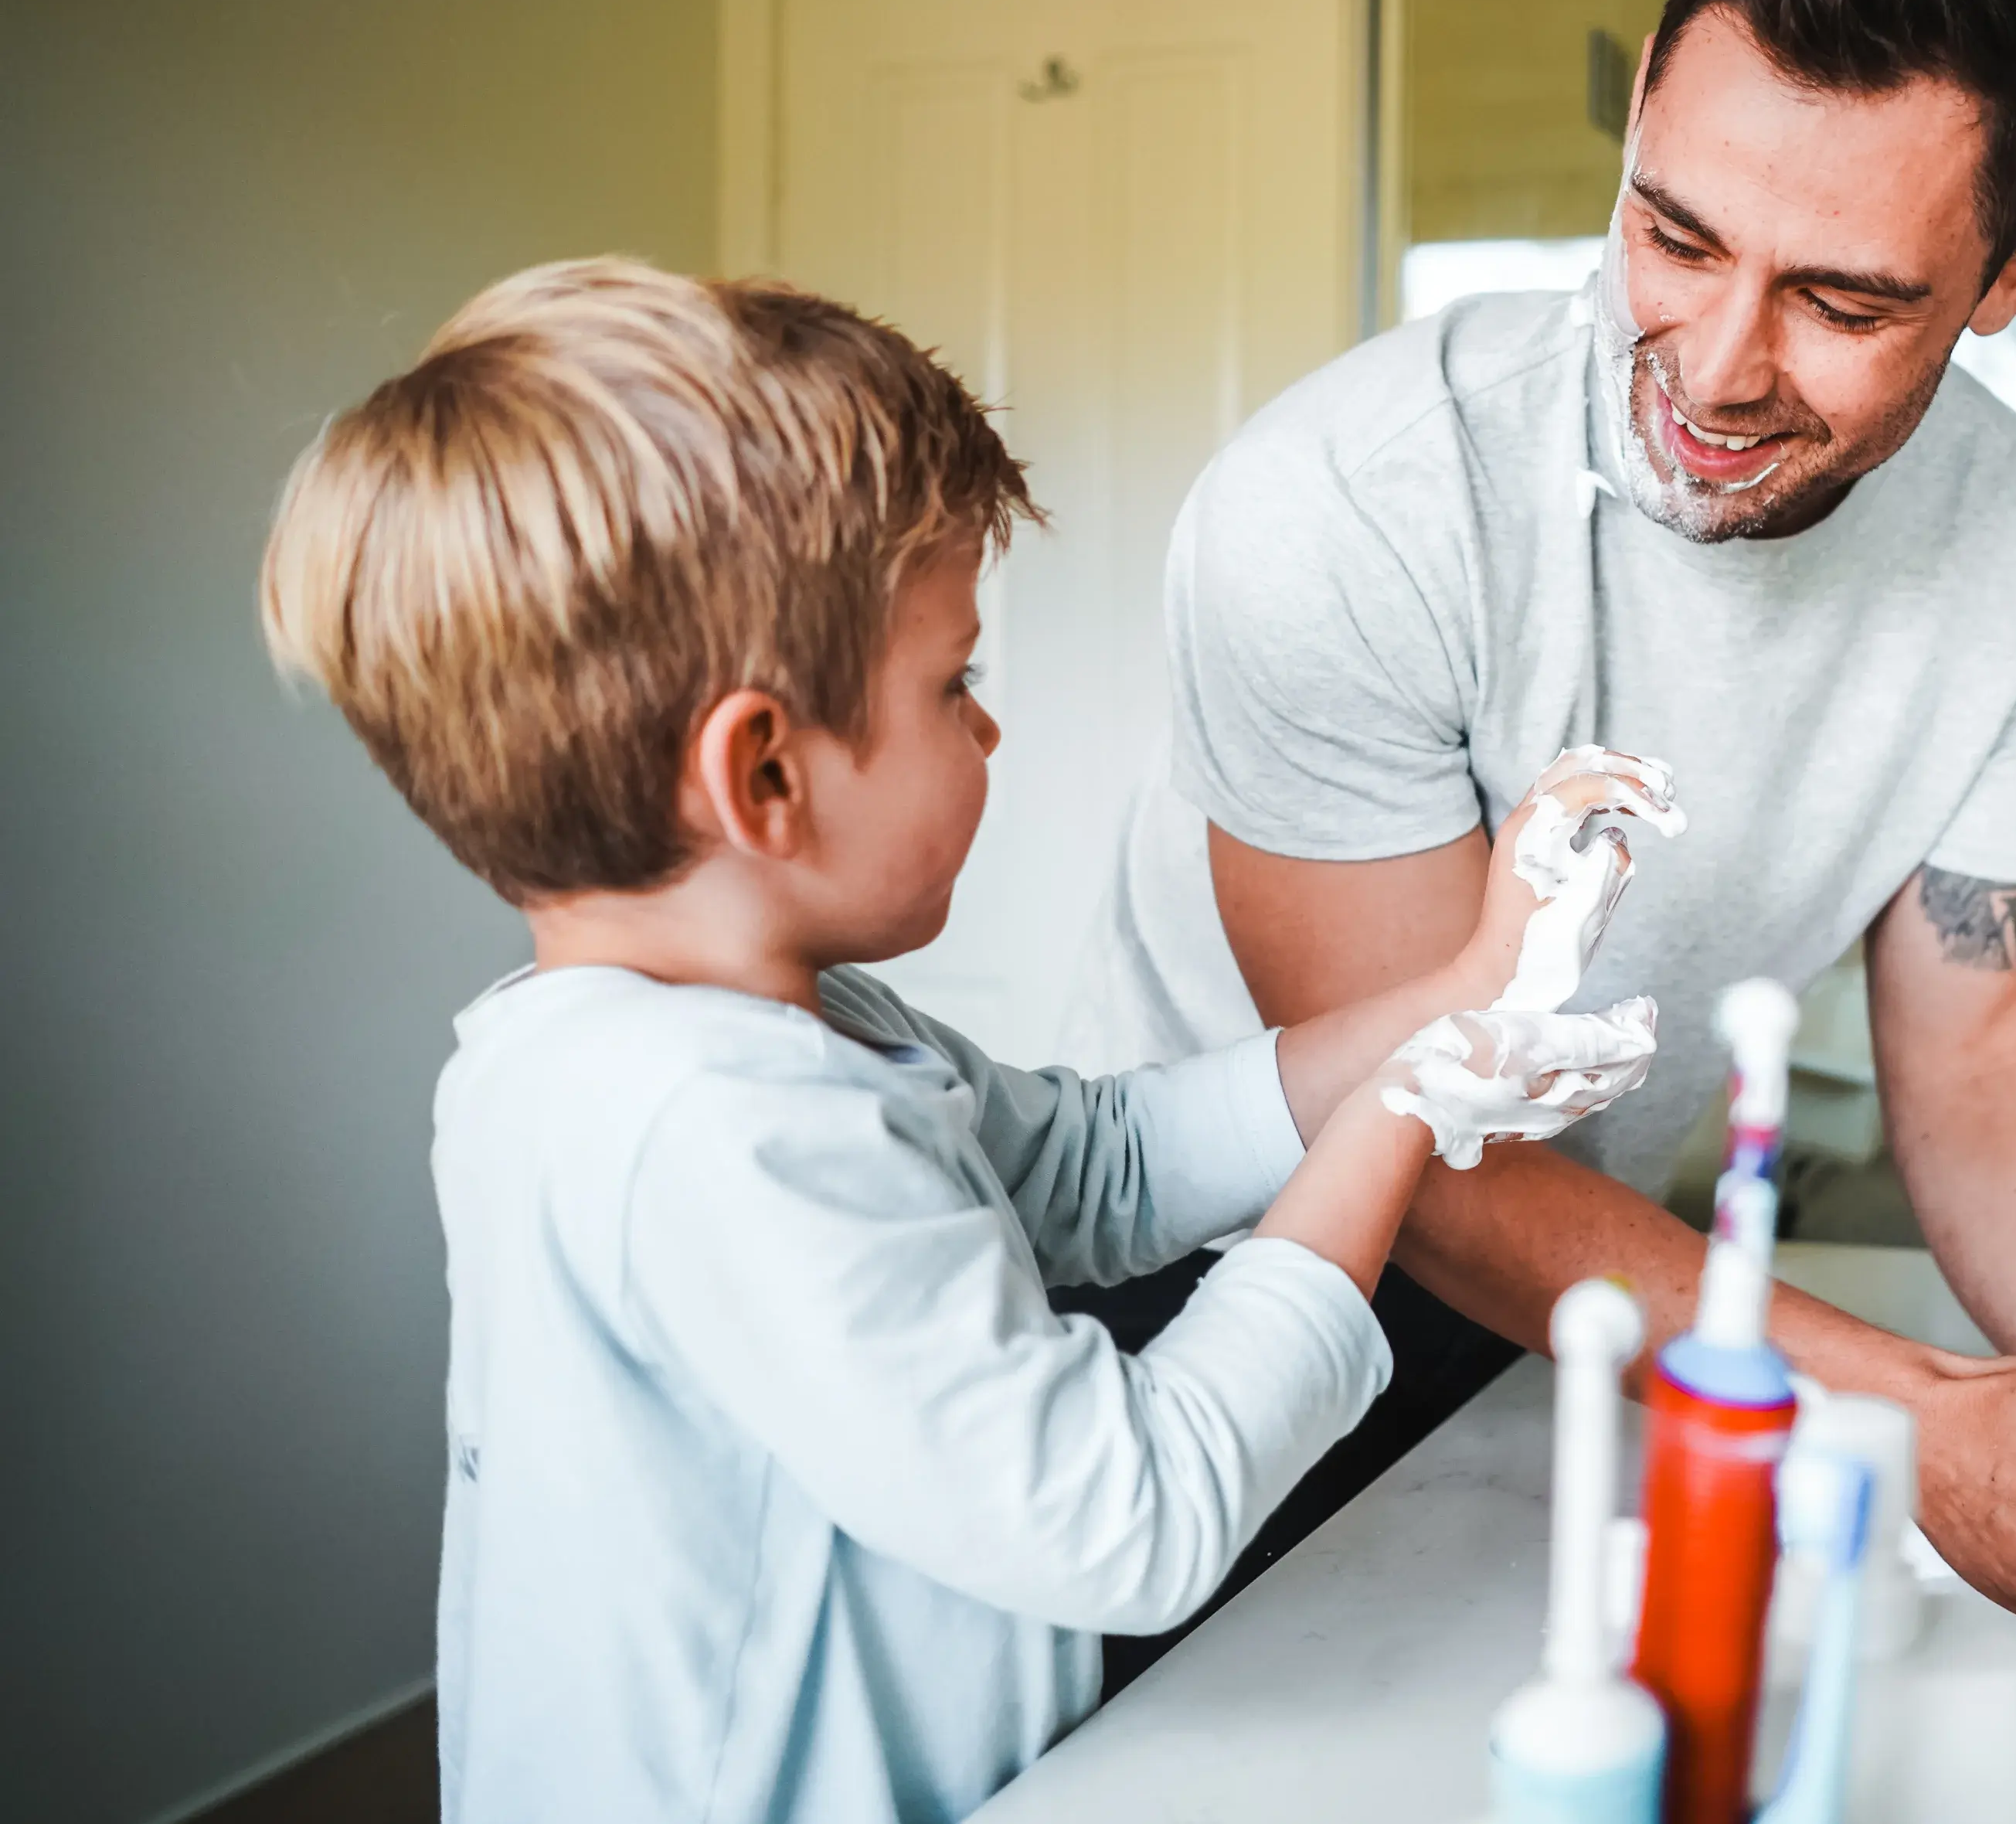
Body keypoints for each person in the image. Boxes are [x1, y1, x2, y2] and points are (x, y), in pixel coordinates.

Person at [1077, 0, 2016, 1718]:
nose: (1716, 363)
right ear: (1634, 140)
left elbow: (1989, 1052)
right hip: (1223, 1304)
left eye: (1843, 299)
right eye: (1675, 237)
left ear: (2015, 274)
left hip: (1595, 1305)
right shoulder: (1351, 508)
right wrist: (1906, 1410)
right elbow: (1413, 1121)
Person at [257, 258, 1668, 1821]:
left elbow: (1096, 1166)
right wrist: (1402, 1112)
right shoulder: (714, 1124)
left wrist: (1460, 983)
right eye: (953, 681)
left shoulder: (748, 1028)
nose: (987, 725)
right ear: (765, 776)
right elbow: (1132, 1512)